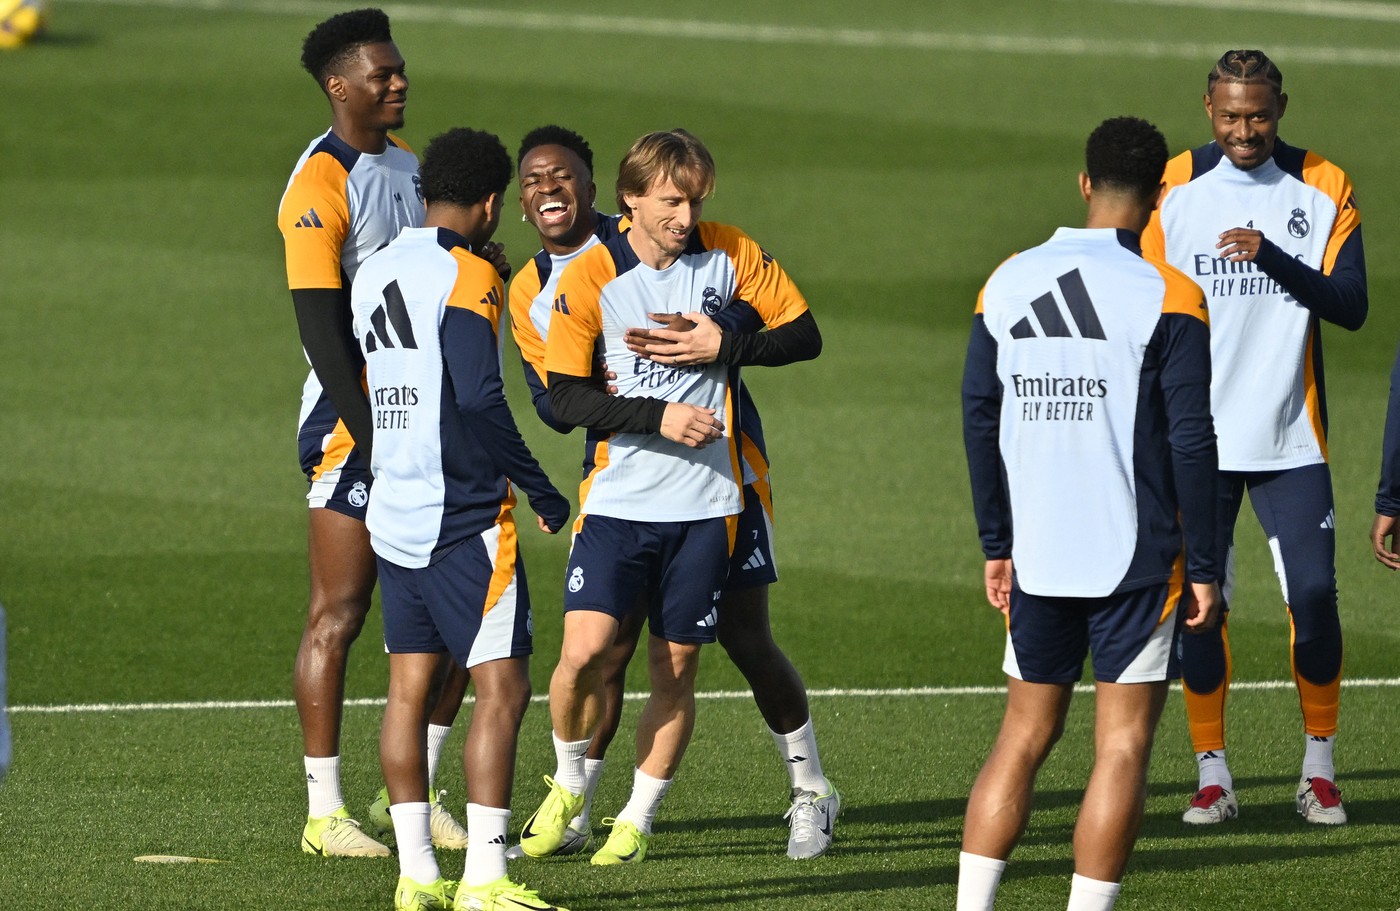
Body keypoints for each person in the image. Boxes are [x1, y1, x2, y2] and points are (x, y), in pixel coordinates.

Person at [507, 125, 838, 861]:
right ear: (627, 200)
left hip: (729, 484)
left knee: (745, 639)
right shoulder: (557, 284)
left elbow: (800, 331)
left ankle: (810, 788)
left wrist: (727, 339)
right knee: (605, 647)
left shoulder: (725, 252)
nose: (686, 217)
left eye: (694, 201)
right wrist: (655, 413)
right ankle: (581, 801)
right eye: (670, 202)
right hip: (626, 485)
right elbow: (558, 401)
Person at [959, 116, 1220, 911]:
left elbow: (978, 413)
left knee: (1023, 735)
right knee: (1123, 743)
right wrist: (1204, 562)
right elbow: (1191, 440)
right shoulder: (1171, 295)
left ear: (1084, 183)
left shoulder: (1005, 281)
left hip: (1037, 550)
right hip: (1135, 557)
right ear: (1159, 195)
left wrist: (996, 542)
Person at [1141, 49, 1367, 826]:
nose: (1246, 131)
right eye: (1232, 115)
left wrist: (1269, 255)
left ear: (1281, 107)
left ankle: (1319, 768)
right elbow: (1142, 311)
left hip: (1289, 438)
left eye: (1260, 115)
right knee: (1202, 611)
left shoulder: (1323, 184)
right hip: (1195, 444)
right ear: (1209, 105)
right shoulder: (1170, 188)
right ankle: (1213, 775)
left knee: (1313, 597)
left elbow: (1351, 305)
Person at [350, 126, 573, 911]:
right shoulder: (470, 273)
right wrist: (542, 488)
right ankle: (483, 878)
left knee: (407, 689)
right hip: (465, 518)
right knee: (502, 687)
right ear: (488, 203)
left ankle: (416, 877)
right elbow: (479, 397)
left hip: (393, 510)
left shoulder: (372, 270)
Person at [277, 7, 469, 857]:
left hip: (427, 419)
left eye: (400, 70)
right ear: (338, 84)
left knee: (462, 613)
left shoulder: (409, 168)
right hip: (352, 425)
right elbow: (320, 327)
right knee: (342, 611)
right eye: (383, 74)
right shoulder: (318, 185)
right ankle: (325, 813)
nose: (400, 82)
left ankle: (420, 798)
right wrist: (377, 436)